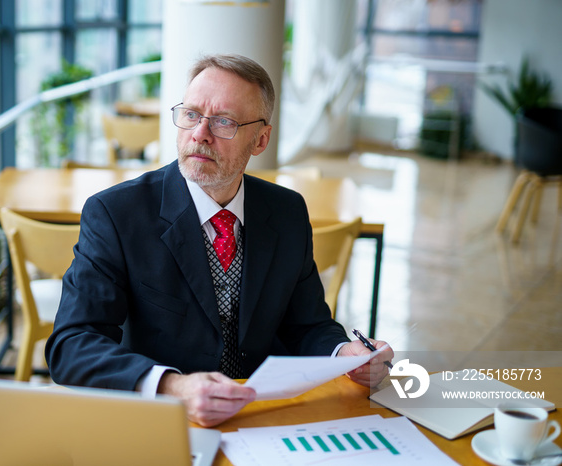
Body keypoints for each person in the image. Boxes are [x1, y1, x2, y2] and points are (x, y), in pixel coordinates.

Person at [45, 53, 393, 427]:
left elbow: (306, 326)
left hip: (261, 418)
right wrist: (173, 387)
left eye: (223, 121)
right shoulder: (116, 214)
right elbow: (72, 345)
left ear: (261, 139)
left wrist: (346, 355)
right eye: (192, 114)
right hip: (160, 418)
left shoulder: (287, 211)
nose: (199, 133)